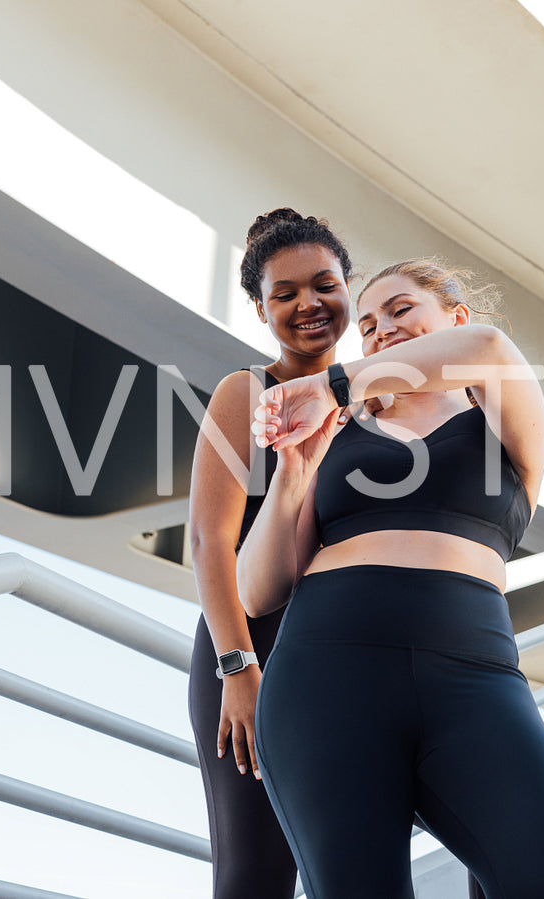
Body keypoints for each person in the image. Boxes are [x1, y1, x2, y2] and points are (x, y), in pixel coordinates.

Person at [237, 260, 544, 899]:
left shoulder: (501, 425)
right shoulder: (338, 432)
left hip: (474, 677)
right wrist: (294, 472)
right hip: (326, 674)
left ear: (454, 318)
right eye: (369, 325)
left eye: (401, 310)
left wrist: (330, 381)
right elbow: (258, 588)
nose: (380, 330)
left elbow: (489, 350)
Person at [186, 208, 353, 899]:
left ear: (350, 287)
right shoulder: (247, 392)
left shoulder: (378, 400)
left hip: (350, 655)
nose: (308, 303)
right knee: (255, 874)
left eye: (323, 285)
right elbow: (208, 541)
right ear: (260, 308)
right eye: (284, 293)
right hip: (254, 653)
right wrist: (238, 669)